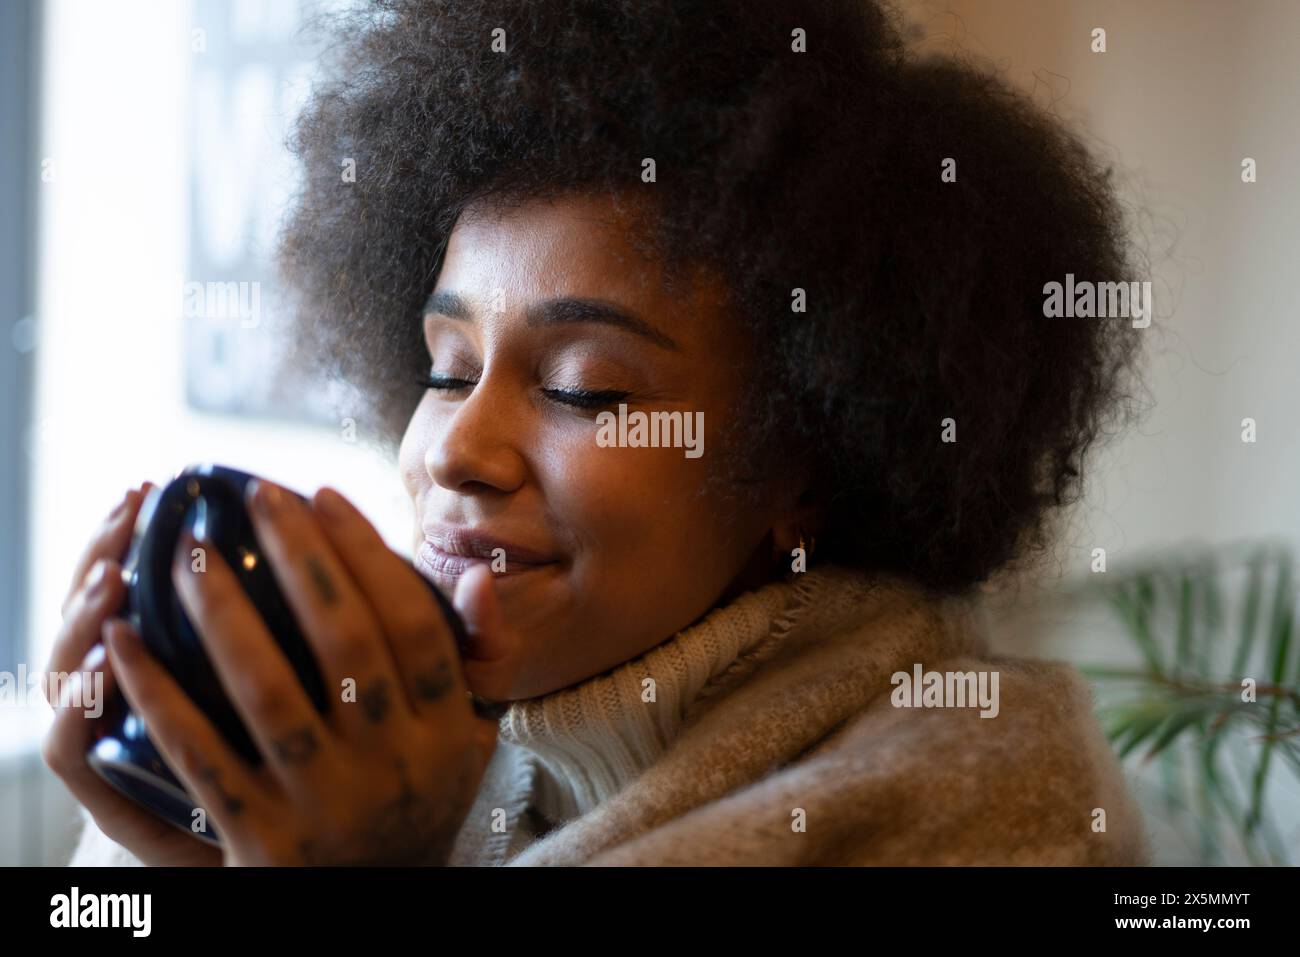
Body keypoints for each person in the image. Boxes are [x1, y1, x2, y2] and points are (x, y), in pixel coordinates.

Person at [47, 0, 1149, 865]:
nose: (452, 452)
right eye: (448, 369)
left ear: (806, 459)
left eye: (581, 390)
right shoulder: (409, 741)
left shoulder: (995, 796)